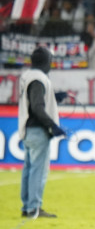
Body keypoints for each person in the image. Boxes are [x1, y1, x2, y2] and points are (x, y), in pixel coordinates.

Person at [19, 47, 64, 219]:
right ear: (46, 62)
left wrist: (54, 96)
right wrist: (52, 125)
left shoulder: (28, 76)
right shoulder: (39, 79)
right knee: (38, 170)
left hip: (28, 129)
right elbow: (37, 106)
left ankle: (27, 206)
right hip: (38, 130)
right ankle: (33, 208)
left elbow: (34, 101)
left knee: (29, 169)